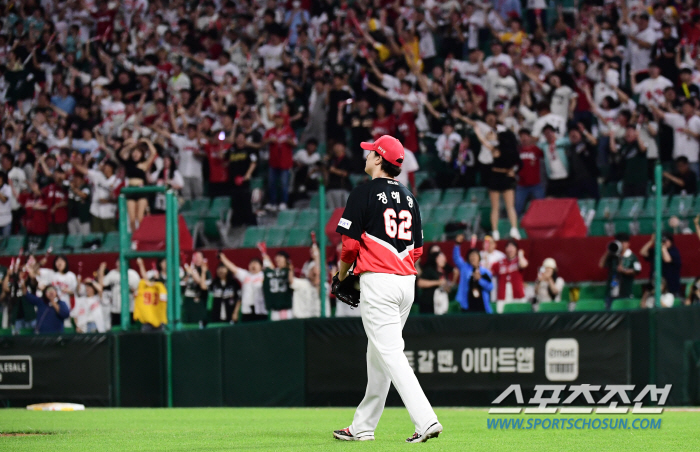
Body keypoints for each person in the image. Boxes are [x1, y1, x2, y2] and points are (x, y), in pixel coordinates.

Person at [332, 135, 442, 443]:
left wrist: (342, 276)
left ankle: (426, 420)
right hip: (406, 282)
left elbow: (349, 245)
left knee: (390, 353)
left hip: (379, 281)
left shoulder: (363, 192)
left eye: (370, 152)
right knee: (377, 355)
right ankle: (363, 426)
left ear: (379, 159)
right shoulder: (409, 196)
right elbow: (418, 250)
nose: (366, 156)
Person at [473, 127, 521, 240]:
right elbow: (518, 163)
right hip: (507, 178)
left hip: (496, 178)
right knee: (510, 207)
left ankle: (495, 232)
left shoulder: (497, 150)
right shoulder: (513, 150)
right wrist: (512, 171)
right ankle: (514, 229)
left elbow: (484, 142)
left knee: (495, 208)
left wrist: (478, 133)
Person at [116, 138, 159, 231]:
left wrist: (147, 141)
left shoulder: (144, 164)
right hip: (130, 190)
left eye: (138, 152)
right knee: (132, 219)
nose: (135, 154)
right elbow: (121, 154)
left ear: (142, 154)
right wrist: (130, 146)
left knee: (140, 218)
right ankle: (135, 239)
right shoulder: (128, 163)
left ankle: (142, 236)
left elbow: (153, 153)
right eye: (134, 152)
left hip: (141, 190)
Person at [219, 252, 267, 322]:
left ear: (261, 266)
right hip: (246, 310)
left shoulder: (264, 275)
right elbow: (233, 268)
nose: (253, 265)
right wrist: (223, 258)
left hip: (261, 310)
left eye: (256, 263)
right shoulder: (245, 275)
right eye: (251, 263)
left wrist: (265, 256)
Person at [453, 235, 493, 313]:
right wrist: (457, 245)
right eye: (470, 255)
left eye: (475, 255)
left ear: (479, 257)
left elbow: (490, 287)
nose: (472, 257)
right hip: (467, 304)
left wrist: (480, 280)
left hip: (482, 305)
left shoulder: (485, 272)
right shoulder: (465, 268)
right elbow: (456, 258)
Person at [599, 232, 641, 309]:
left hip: (625, 291)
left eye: (623, 242)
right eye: (619, 242)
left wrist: (624, 270)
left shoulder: (632, 257)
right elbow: (601, 265)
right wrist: (609, 251)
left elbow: (637, 270)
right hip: (611, 291)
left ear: (628, 244)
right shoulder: (612, 256)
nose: (621, 245)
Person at [97, 260, 141, 329]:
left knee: (130, 331)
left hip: (129, 309)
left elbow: (137, 290)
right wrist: (101, 271)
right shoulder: (113, 273)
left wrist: (129, 288)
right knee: (116, 331)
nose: (118, 264)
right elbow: (102, 284)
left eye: (120, 262)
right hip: (116, 310)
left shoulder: (132, 273)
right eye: (117, 263)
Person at [491, 240, 528, 311]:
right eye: (508, 247)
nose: (510, 249)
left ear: (516, 249)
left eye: (513, 247)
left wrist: (520, 255)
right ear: (505, 249)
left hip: (517, 292)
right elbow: (490, 271)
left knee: (519, 313)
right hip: (503, 293)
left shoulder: (518, 260)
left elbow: (524, 265)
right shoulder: (500, 262)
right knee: (501, 312)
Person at [261, 247, 294, 321]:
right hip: (274, 307)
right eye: (277, 257)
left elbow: (291, 281)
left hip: (286, 306)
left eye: (281, 257)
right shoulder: (273, 271)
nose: (278, 259)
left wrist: (290, 269)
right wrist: (267, 260)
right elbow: (273, 271)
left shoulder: (289, 270)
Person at [181, 252, 212, 328]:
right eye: (195, 257)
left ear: (203, 259)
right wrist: (188, 274)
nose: (197, 259)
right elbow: (182, 286)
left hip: (200, 302)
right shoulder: (187, 271)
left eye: (199, 257)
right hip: (188, 302)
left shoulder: (207, 273)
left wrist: (195, 273)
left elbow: (203, 287)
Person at [416, 250, 451, 315]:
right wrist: (438, 282)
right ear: (436, 259)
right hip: (428, 304)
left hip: (440, 305)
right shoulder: (429, 270)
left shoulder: (444, 272)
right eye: (441, 258)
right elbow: (420, 283)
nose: (443, 259)